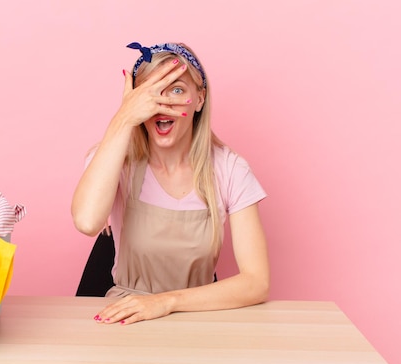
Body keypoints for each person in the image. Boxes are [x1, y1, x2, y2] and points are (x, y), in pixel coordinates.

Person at [71, 42, 270, 325]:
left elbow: (256, 282)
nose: (163, 104)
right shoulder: (116, 160)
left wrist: (165, 302)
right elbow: (88, 222)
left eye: (177, 90)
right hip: (123, 318)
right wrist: (124, 117)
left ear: (200, 99)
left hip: (197, 316)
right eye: (151, 92)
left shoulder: (230, 169)